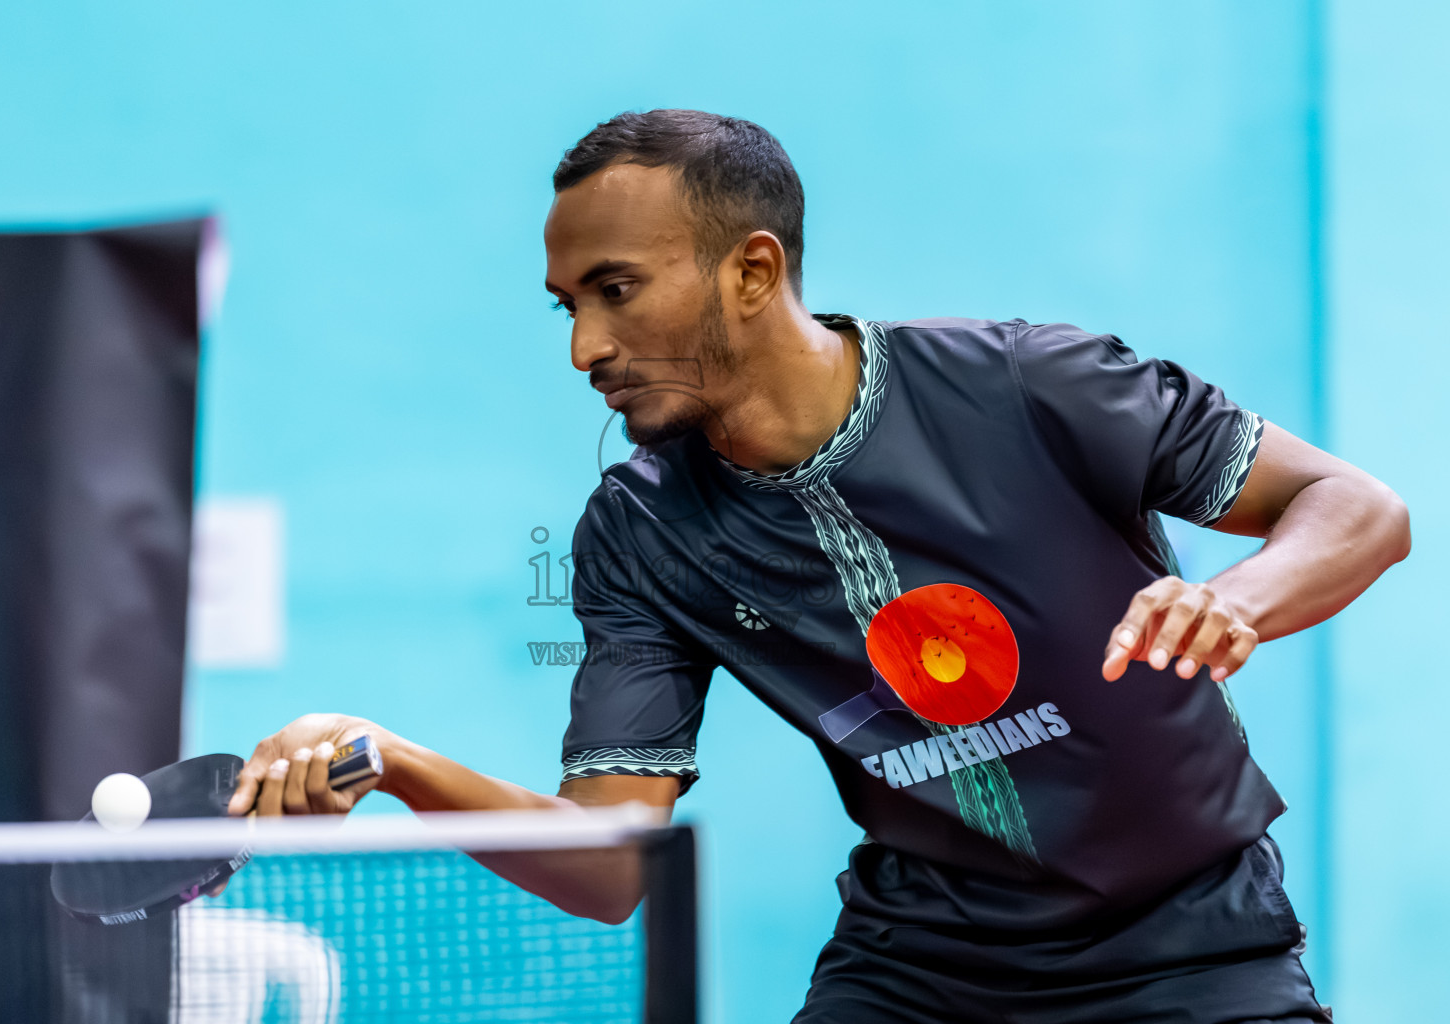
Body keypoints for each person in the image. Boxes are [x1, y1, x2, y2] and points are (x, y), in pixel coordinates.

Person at [228, 109, 1409, 1022]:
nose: (587, 346)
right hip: (923, 969)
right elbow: (606, 866)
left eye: (617, 291)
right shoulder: (641, 532)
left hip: (1193, 950)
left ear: (751, 270)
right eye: (568, 307)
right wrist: (393, 758)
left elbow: (1357, 506)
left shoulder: (1031, 385)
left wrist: (1231, 597)